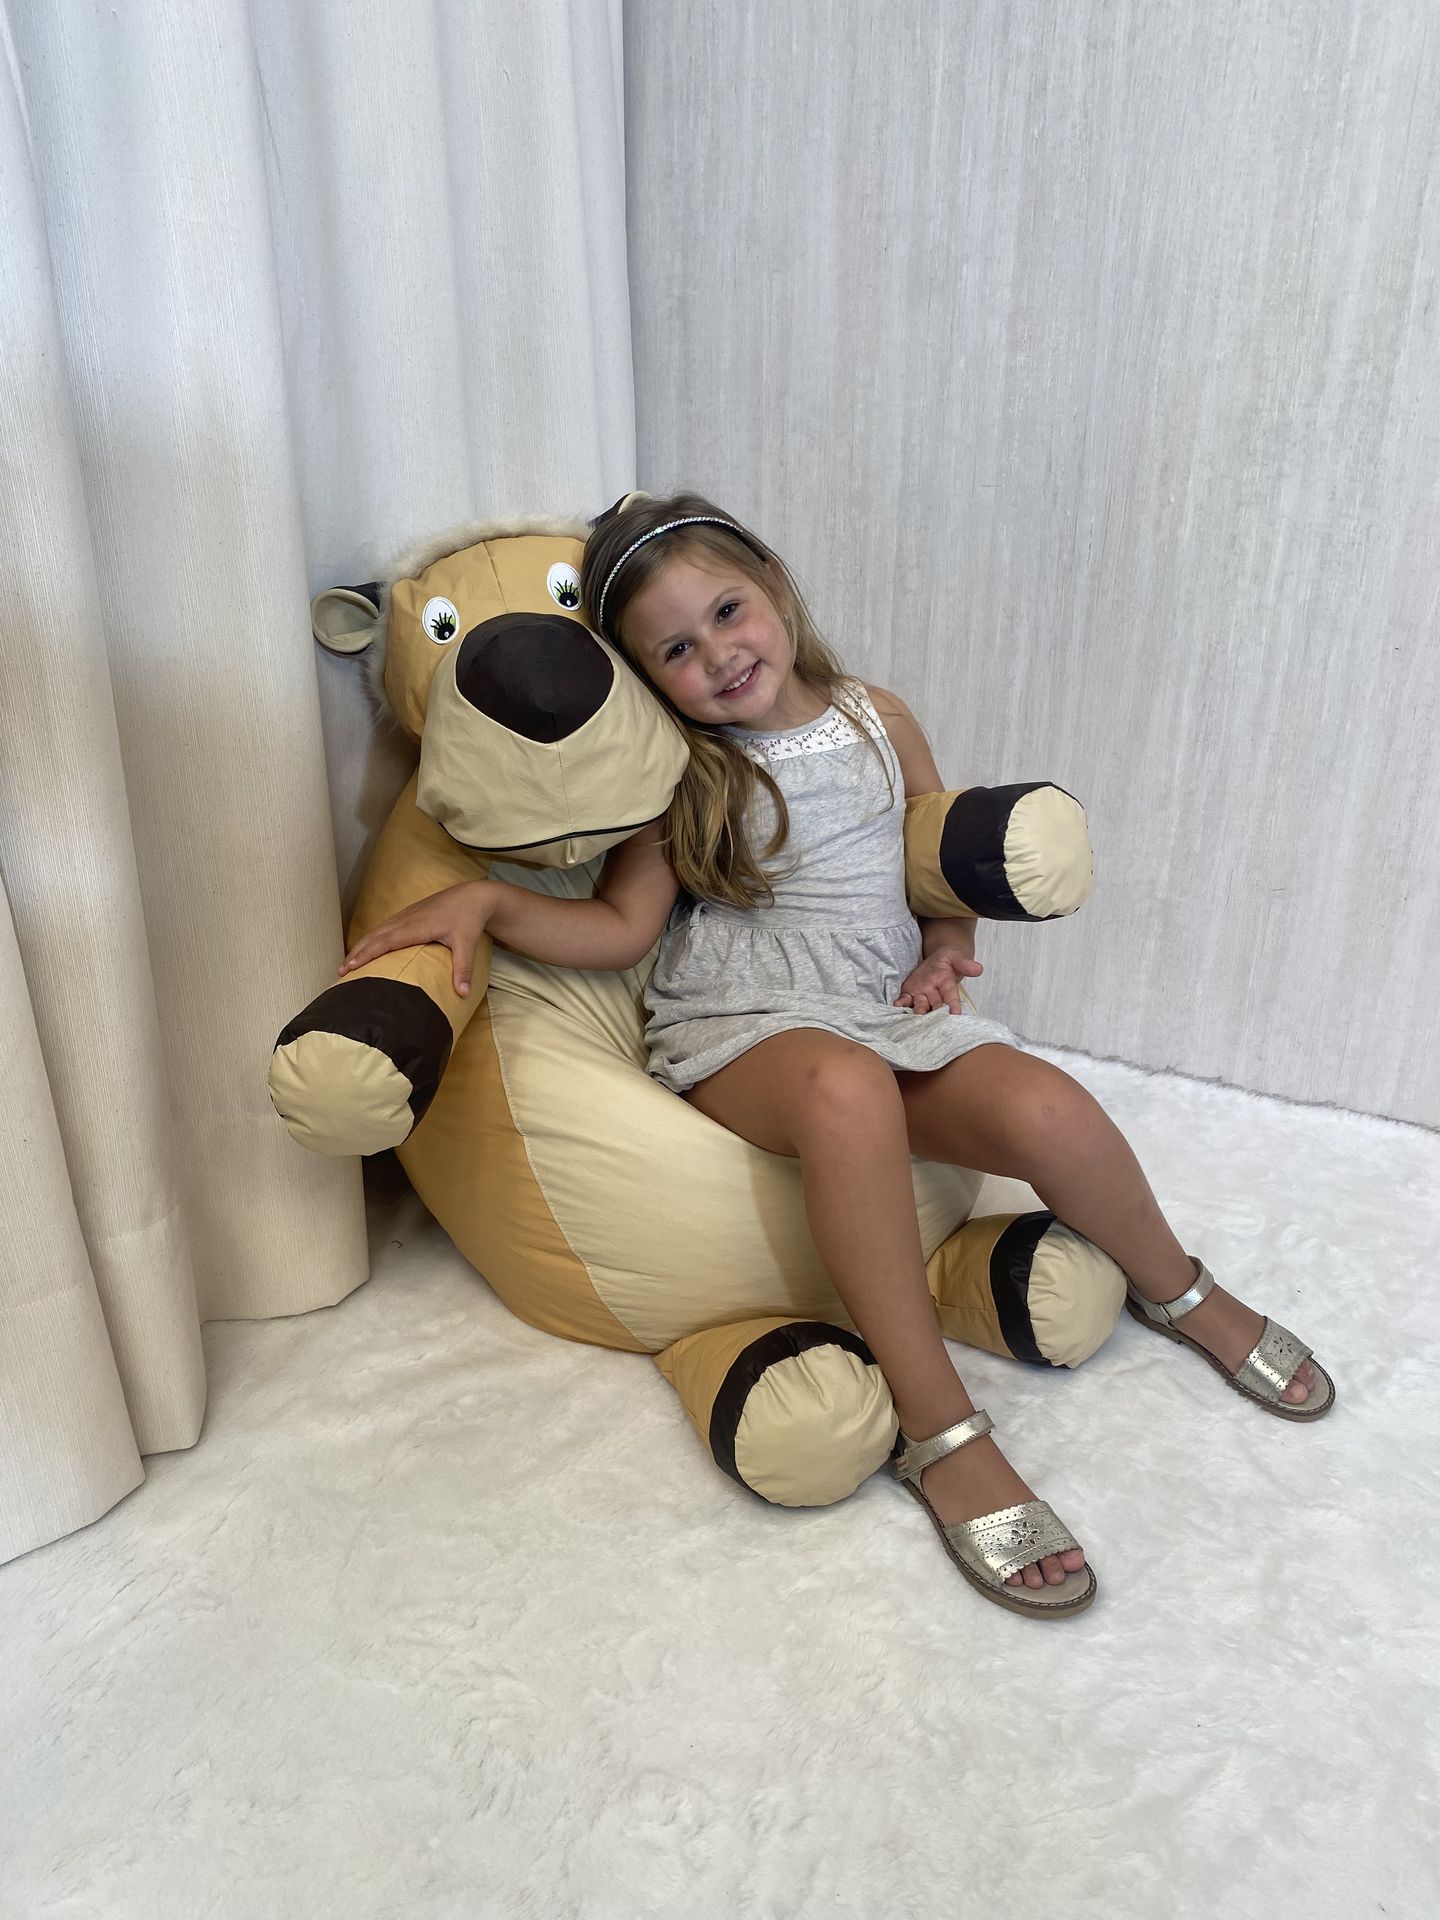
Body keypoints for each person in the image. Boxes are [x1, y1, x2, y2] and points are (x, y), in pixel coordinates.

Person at [339, 491, 1334, 1620]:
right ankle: (938, 1428)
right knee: (849, 1092)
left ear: (772, 581)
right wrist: (489, 904)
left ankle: (1180, 1288)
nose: (719, 655)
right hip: (744, 1025)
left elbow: (933, 862)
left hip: (881, 1007)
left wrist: (946, 949)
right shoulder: (684, 770)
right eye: (676, 650)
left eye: (728, 612)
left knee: (1046, 1105)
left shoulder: (877, 717)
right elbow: (619, 929)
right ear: (647, 677)